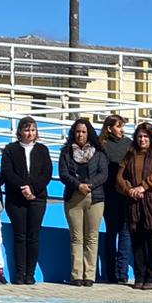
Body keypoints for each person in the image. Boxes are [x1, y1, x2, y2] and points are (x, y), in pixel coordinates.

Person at [116, 122, 152, 289]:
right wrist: (129, 189)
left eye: (146, 136)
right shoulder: (130, 154)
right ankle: (140, 276)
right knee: (137, 237)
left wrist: (144, 187)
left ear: (151, 137)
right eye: (140, 136)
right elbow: (120, 177)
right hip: (133, 199)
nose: (142, 139)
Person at [0, 115, 52, 285]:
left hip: (37, 198)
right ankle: (20, 273)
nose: (30, 133)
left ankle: (30, 273)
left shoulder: (42, 150)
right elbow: (7, 172)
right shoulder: (10, 150)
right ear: (20, 131)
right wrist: (23, 187)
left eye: (33, 130)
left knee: (33, 236)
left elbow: (47, 173)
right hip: (16, 199)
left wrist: (33, 189)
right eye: (27, 130)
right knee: (20, 236)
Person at [57, 117, 108, 287]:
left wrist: (89, 185)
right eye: (78, 131)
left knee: (92, 237)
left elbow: (103, 174)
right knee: (76, 237)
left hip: (95, 199)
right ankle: (76, 275)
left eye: (84, 132)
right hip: (73, 198)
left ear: (89, 133)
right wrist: (78, 185)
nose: (80, 135)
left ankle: (89, 276)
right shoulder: (66, 153)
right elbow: (63, 174)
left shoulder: (99, 153)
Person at [99, 114, 133, 284]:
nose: (122, 130)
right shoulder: (102, 145)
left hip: (125, 194)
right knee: (111, 232)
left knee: (125, 232)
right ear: (109, 128)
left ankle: (122, 272)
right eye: (118, 126)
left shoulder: (128, 144)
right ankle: (110, 272)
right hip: (109, 195)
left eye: (122, 126)